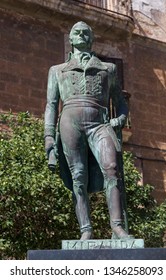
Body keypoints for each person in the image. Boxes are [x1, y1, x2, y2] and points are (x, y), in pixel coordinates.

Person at [44, 21, 129, 240]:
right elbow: (51, 106)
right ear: (70, 39)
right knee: (78, 177)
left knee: (111, 169)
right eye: (76, 32)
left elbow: (120, 101)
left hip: (100, 124)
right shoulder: (56, 71)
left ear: (91, 40)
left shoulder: (108, 69)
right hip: (69, 122)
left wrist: (120, 118)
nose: (81, 35)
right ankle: (86, 230)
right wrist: (49, 138)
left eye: (86, 33)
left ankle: (118, 228)